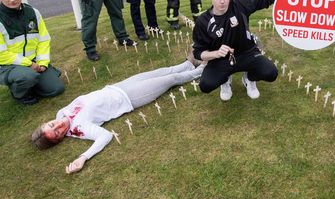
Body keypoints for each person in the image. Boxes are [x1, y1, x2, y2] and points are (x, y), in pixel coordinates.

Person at [31, 54, 205, 174]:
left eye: (52, 125)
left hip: (118, 87)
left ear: (47, 121)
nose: (59, 126)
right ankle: (200, 71)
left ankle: (188, 64)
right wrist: (83, 157)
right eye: (58, 133)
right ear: (61, 138)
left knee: (161, 72)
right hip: (130, 98)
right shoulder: (79, 129)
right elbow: (104, 136)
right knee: (169, 80)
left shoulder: (61, 112)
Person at [193, 0, 315, 101]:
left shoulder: (240, 5)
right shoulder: (203, 21)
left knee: (271, 73)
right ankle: (225, 80)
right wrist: (216, 54)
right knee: (206, 85)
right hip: (221, 60)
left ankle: (249, 79)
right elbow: (198, 52)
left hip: (247, 53)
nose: (222, 1)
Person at [0, 0, 64, 105]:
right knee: (27, 77)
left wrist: (43, 63)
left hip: (33, 62)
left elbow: (44, 39)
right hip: (7, 65)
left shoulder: (33, 12)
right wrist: (28, 64)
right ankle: (19, 93)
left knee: (57, 89)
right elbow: (1, 53)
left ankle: (33, 82)